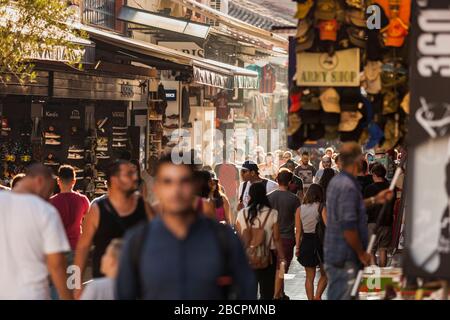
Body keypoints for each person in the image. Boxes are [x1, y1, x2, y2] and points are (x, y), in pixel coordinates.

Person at [116, 151, 256, 299]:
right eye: (168, 182)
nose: (176, 190)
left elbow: (246, 292)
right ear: (157, 188)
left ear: (194, 186)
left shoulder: (223, 239)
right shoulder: (137, 242)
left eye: (184, 181)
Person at [324, 142, 393, 300]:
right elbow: (348, 227)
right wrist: (361, 253)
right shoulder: (347, 185)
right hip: (345, 255)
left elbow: (352, 206)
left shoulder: (338, 181)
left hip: (339, 253)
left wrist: (375, 199)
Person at [74, 160, 150, 297]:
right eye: (129, 174)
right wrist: (74, 285)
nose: (135, 178)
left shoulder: (144, 207)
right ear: (114, 180)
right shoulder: (97, 210)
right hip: (105, 286)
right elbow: (82, 248)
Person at [0, 164, 72, 299]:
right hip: (32, 293)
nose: (48, 196)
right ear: (39, 181)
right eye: (49, 190)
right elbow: (56, 264)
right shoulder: (45, 211)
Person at [236, 182, 285, 300]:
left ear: (250, 196)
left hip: (246, 257)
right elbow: (277, 238)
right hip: (268, 257)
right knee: (267, 292)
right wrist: (282, 257)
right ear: (265, 194)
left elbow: (238, 236)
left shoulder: (242, 213)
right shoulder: (272, 213)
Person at [268, 169, 301, 299]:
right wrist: (298, 243)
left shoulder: (269, 197)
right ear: (290, 182)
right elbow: (298, 224)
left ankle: (280, 293)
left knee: (276, 268)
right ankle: (277, 295)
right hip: (287, 238)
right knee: (281, 268)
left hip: (270, 238)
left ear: (277, 180)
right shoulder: (294, 199)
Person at [49, 165, 90, 262]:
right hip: (75, 247)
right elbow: (88, 224)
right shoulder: (82, 200)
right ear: (74, 181)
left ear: (58, 181)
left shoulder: (50, 202)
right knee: (74, 277)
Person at [296, 183, 327, 300]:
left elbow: (298, 231)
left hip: (306, 242)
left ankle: (311, 299)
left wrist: (298, 247)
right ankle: (317, 296)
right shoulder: (322, 207)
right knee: (325, 274)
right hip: (320, 242)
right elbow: (328, 226)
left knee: (309, 277)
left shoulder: (300, 209)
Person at [364, 163, 393, 267]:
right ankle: (382, 272)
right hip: (387, 222)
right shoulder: (390, 188)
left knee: (371, 249)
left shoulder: (369, 189)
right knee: (383, 250)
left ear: (375, 175)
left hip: (373, 222)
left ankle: (374, 271)